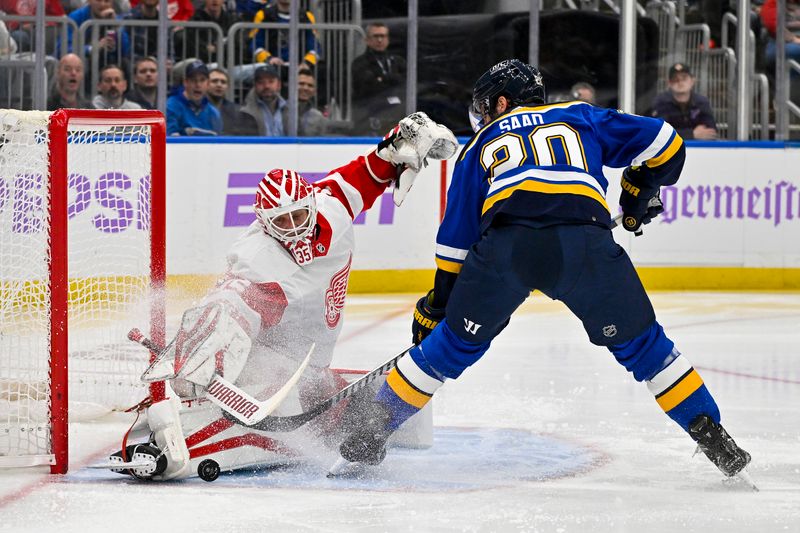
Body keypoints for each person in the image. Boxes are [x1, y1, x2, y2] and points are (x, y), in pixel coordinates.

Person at [334, 59, 753, 485]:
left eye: (484, 105)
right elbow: (667, 142)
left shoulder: (479, 145)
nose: (480, 114)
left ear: (501, 101)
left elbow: (455, 243)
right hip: (584, 243)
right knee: (646, 349)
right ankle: (713, 434)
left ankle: (367, 437)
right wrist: (641, 187)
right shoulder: (580, 114)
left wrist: (438, 306)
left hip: (506, 248)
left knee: (447, 350)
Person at [107, 112, 458, 481]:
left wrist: (403, 140)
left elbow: (374, 169)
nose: (294, 230)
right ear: (263, 221)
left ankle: (339, 405)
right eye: (281, 222)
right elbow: (231, 300)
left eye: (298, 215)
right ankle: (173, 442)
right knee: (275, 394)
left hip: (312, 350)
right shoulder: (259, 256)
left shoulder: (332, 207)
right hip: (275, 349)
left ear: (311, 201)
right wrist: (203, 355)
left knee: (315, 396)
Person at [351, 22, 406, 136]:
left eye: (383, 36)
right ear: (367, 40)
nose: (380, 40)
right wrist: (392, 80)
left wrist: (382, 78)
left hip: (396, 115)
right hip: (369, 117)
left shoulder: (397, 61)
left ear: (388, 39)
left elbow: (404, 85)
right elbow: (369, 88)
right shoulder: (359, 63)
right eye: (376, 36)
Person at [651, 63, 717, 141]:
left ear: (692, 81)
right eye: (675, 79)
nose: (680, 82)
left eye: (684, 78)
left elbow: (711, 131)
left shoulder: (701, 102)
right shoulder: (661, 103)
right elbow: (659, 133)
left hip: (700, 149)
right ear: (669, 83)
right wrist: (692, 134)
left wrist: (677, 133)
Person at [249, 0, 319, 68]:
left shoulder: (307, 16)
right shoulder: (262, 15)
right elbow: (255, 44)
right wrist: (269, 59)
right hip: (270, 67)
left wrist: (306, 63)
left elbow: (315, 46)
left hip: (300, 67)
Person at [166, 59, 222, 136]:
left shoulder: (213, 112)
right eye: (193, 80)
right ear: (185, 82)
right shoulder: (171, 106)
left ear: (208, 83)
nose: (198, 85)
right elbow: (169, 138)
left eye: (202, 80)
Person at [206, 66, 258, 135]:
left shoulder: (240, 113)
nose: (219, 85)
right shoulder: (195, 109)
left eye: (223, 82)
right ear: (205, 84)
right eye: (214, 81)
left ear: (227, 87)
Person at [240, 63, 286, 136]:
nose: (266, 86)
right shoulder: (245, 112)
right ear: (255, 85)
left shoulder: (290, 109)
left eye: (271, 81)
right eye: (261, 82)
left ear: (279, 85)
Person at [297, 67, 327, 136]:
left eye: (310, 85)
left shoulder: (318, 117)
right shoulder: (281, 110)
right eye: (301, 84)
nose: (305, 88)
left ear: (314, 91)